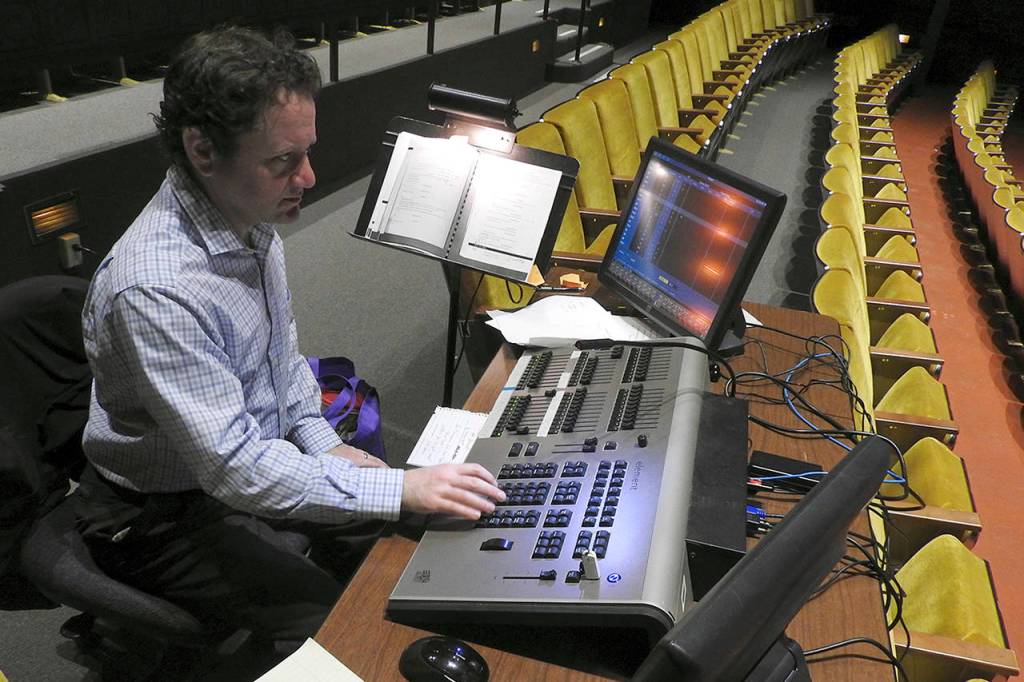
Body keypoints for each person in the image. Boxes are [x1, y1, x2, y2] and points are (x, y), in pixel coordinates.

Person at [74, 25, 505, 659]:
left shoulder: (248, 217)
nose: (308, 176)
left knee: (424, 535)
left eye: (306, 152)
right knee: (347, 627)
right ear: (201, 149)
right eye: (283, 160)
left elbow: (284, 368)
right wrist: (394, 489)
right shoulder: (156, 289)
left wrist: (330, 445)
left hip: (244, 465)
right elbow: (235, 470)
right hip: (156, 514)